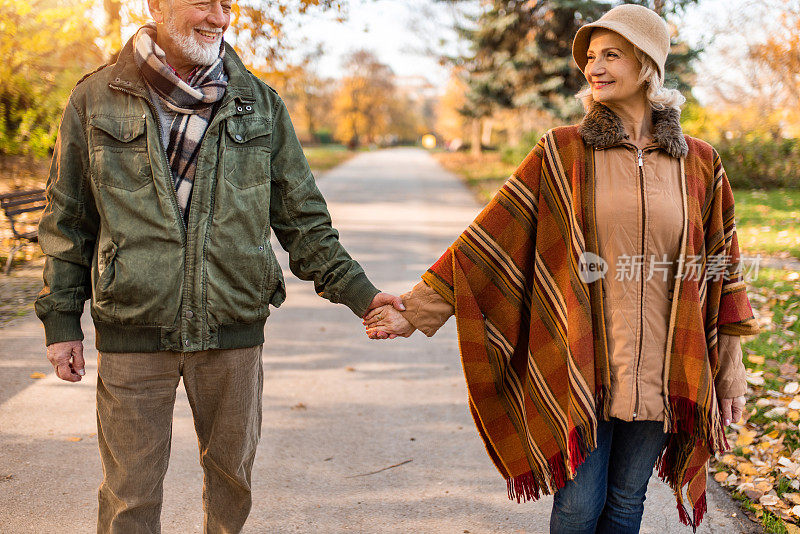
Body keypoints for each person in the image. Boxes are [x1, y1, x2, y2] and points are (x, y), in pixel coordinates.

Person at [364, 4, 759, 533]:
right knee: (577, 507)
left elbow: (723, 270)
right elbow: (489, 242)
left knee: (626, 502)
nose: (594, 67)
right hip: (582, 360)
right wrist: (414, 311)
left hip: (668, 364)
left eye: (611, 55)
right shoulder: (562, 151)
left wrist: (729, 369)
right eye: (590, 57)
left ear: (647, 65)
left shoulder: (699, 162)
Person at [34, 0, 402, 531]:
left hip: (233, 331)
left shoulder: (259, 103)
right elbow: (68, 219)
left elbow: (303, 222)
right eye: (202, 2)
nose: (219, 17)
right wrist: (62, 323)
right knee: (128, 499)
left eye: (226, 4)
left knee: (232, 487)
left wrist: (362, 294)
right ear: (156, 5)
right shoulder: (95, 99)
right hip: (133, 329)